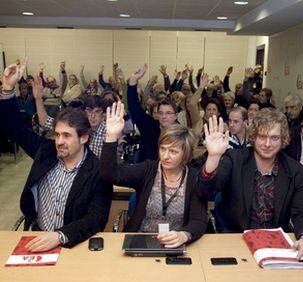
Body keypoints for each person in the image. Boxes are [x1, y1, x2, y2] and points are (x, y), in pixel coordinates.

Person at [0, 62, 112, 251]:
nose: (59, 141)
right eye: (57, 134)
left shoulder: (98, 171)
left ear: (84, 138)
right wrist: (8, 88)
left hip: (73, 243)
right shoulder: (46, 152)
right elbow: (15, 128)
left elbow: (96, 219)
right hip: (38, 235)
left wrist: (60, 236)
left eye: (67, 136)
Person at [198, 109, 303, 268]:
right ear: (254, 136)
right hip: (235, 239)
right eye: (262, 136)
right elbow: (205, 191)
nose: (268, 144)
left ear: (283, 140)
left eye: (274, 138)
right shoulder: (234, 159)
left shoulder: (294, 169)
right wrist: (213, 157)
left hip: (276, 244)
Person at [100, 102, 207, 247]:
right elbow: (111, 174)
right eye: (163, 149)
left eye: (173, 151)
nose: (165, 156)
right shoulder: (148, 169)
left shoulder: (194, 178)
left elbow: (199, 220)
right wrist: (111, 136)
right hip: (141, 239)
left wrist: (184, 235)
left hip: (175, 243)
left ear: (186, 155)